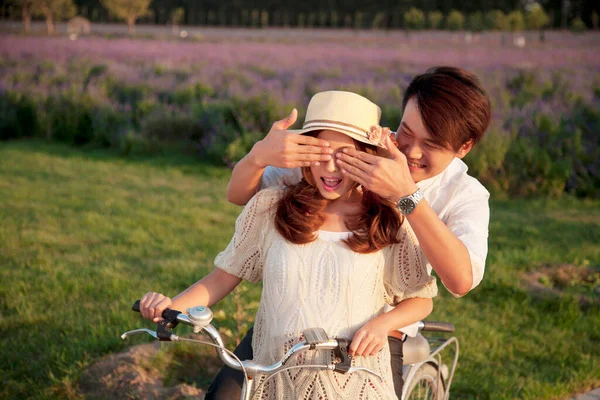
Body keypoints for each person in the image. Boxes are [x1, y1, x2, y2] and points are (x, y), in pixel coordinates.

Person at [140, 91, 438, 399]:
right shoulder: (272, 207)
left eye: (345, 156)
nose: (331, 168)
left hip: (353, 382)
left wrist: (382, 325)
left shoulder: (387, 220)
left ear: (366, 156)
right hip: (276, 379)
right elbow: (221, 278)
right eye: (320, 153)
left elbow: (420, 299)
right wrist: (170, 308)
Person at [221, 66, 491, 396]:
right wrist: (258, 156)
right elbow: (242, 195)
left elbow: (461, 280)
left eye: (431, 144)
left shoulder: (464, 194)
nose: (411, 151)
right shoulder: (358, 150)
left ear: (464, 146)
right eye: (406, 131)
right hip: (292, 322)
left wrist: (407, 196)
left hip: (375, 333)